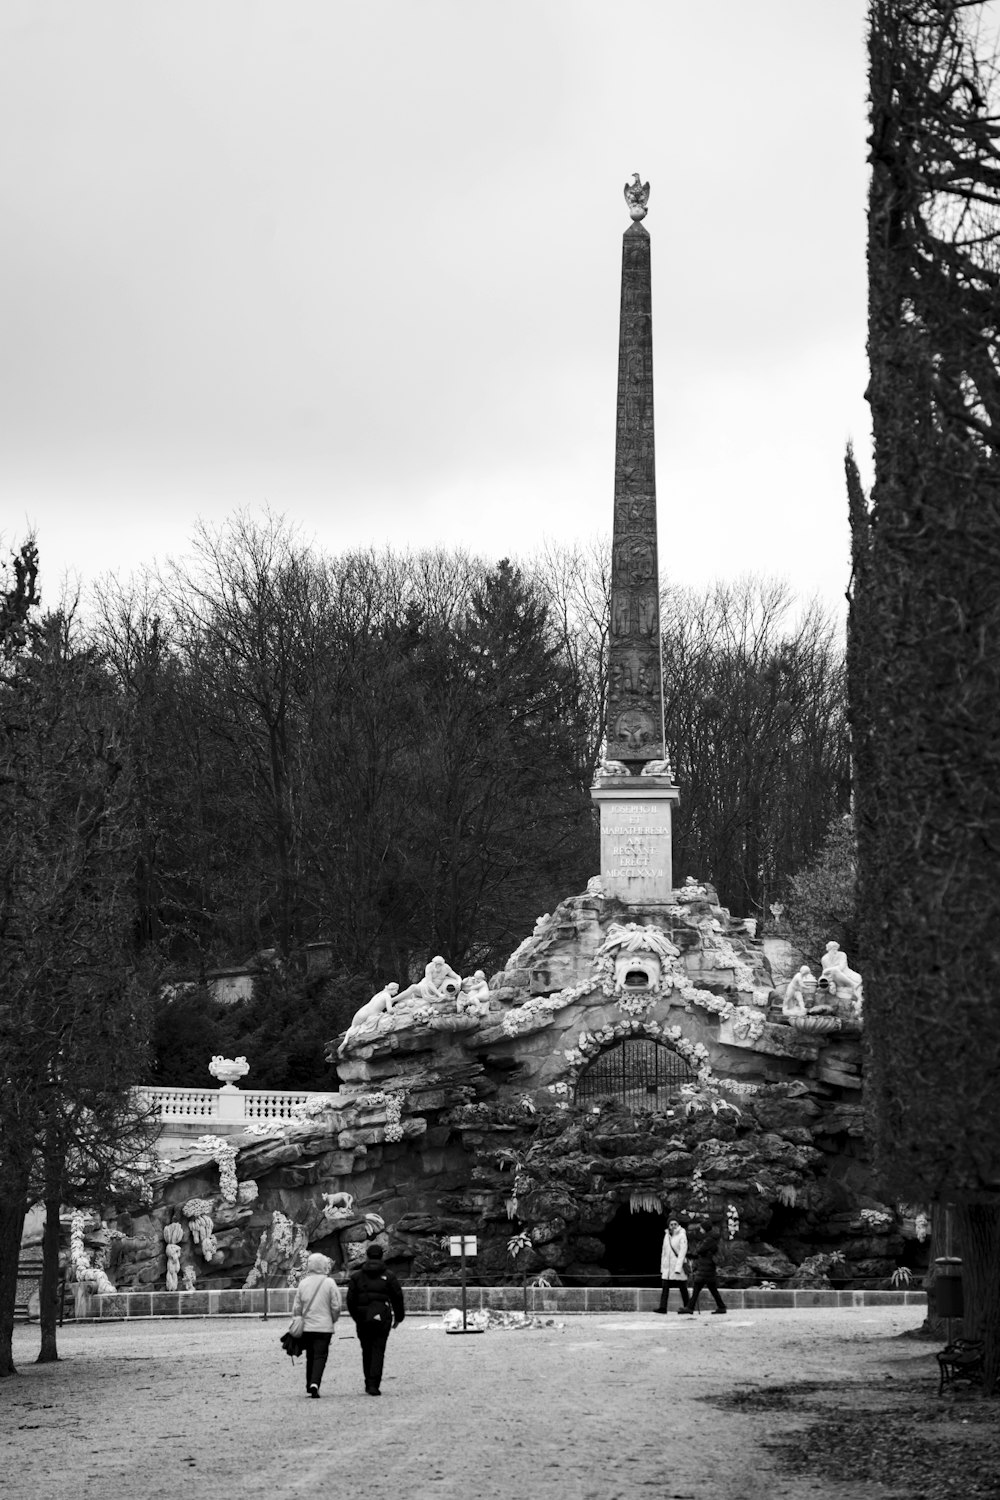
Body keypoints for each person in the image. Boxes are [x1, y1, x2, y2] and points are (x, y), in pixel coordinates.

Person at [346, 1243, 405, 1396]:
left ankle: (368, 1382)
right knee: (378, 1350)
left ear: (367, 1256)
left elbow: (350, 1300)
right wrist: (399, 1317)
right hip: (382, 1319)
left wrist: (356, 1317)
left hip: (363, 1318)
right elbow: (397, 1298)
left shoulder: (356, 1277)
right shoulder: (389, 1276)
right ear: (381, 1256)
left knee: (366, 1350)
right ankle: (374, 1384)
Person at [291, 1252, 342, 1398]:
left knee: (310, 1355)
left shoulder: (303, 1283)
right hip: (324, 1327)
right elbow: (336, 1306)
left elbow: (297, 1307)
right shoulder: (329, 1283)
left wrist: (297, 1319)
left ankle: (309, 1384)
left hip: (307, 1327)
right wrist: (333, 1319)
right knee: (320, 1356)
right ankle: (315, 1383)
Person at [678, 1221, 727, 1315]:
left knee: (697, 1287)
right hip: (707, 1267)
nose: (700, 1230)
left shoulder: (709, 1239)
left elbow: (699, 1250)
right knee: (711, 1289)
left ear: (705, 1229)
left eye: (701, 1228)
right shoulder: (711, 1238)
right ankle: (721, 1306)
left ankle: (690, 1307)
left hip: (706, 1267)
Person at [655, 1217, 690, 1313]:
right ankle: (663, 1307)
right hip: (668, 1267)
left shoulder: (682, 1235)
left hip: (677, 1266)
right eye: (671, 1224)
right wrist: (663, 1267)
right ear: (669, 1226)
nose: (673, 1226)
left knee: (683, 1287)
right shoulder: (667, 1236)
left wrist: (678, 1268)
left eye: (675, 1224)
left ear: (678, 1224)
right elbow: (664, 1252)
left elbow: (682, 1252)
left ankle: (688, 1306)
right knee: (665, 1287)